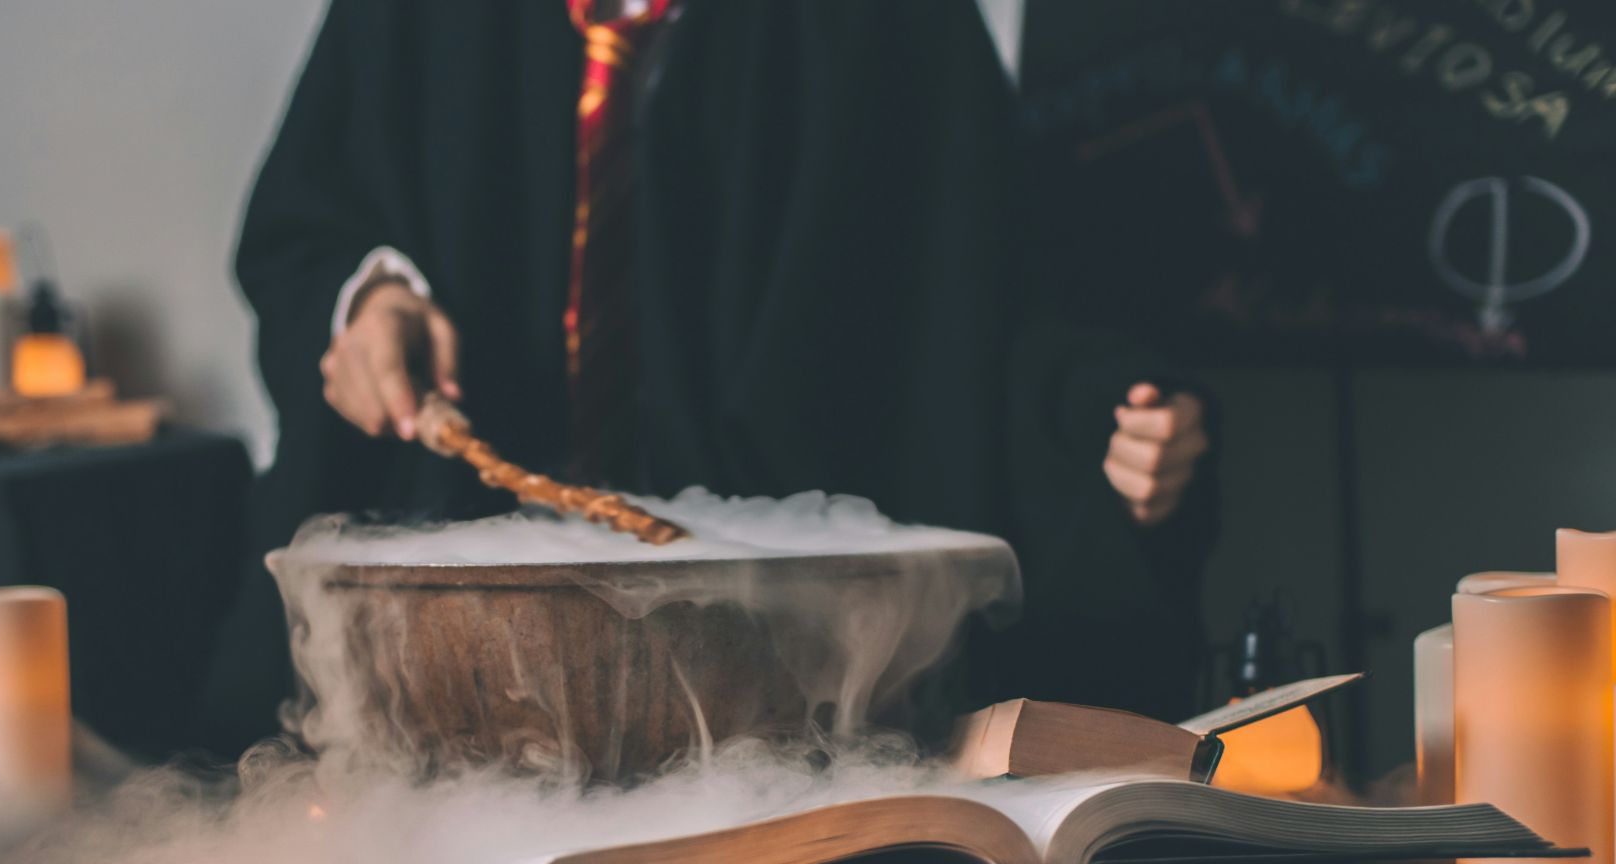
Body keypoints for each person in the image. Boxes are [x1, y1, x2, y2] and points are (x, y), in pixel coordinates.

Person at [202, 0, 1214, 757]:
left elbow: (992, 292)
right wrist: (364, 300)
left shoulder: (891, 21)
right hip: (459, 663)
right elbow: (305, 229)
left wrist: (1099, 419)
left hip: (781, 663)